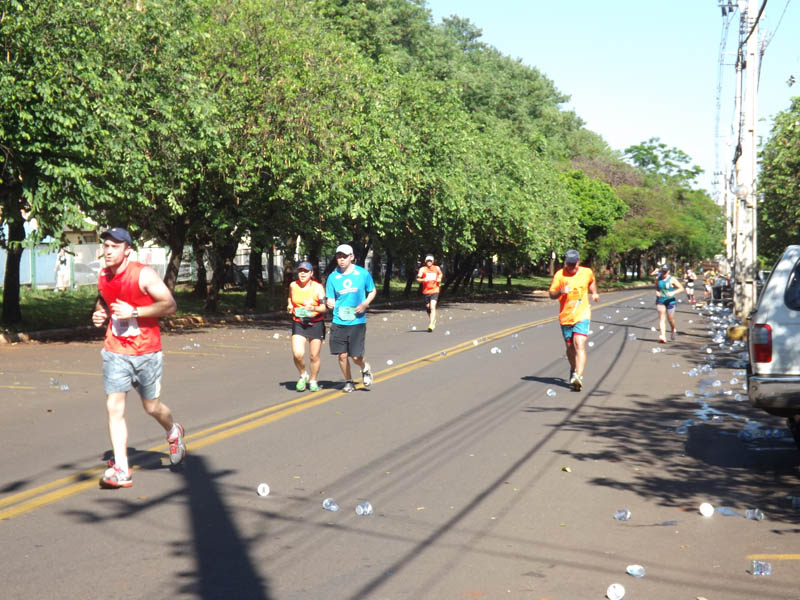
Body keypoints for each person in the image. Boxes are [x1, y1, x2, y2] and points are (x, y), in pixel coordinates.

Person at [91, 227, 186, 488]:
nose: (109, 251)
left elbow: (170, 305)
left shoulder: (143, 274)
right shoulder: (103, 276)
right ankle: (122, 468)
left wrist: (134, 311)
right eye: (106, 246)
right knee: (114, 407)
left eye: (115, 246)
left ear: (127, 250)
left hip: (146, 351)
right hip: (115, 349)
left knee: (152, 408)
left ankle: (173, 431)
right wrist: (100, 313)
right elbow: (104, 300)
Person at [325, 244, 377, 392]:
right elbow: (330, 298)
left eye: (344, 256)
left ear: (352, 257)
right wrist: (329, 302)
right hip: (339, 320)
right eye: (339, 256)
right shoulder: (332, 277)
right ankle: (349, 381)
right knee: (342, 356)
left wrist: (365, 304)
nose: (341, 259)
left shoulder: (362, 273)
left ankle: (365, 368)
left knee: (355, 357)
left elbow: (372, 291)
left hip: (357, 321)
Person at [548, 249, 599, 392]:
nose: (571, 267)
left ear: (578, 261)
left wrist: (594, 292)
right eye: (569, 264)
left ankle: (578, 376)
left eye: (574, 264)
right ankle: (573, 368)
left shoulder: (587, 272)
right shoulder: (560, 275)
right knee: (570, 348)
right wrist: (561, 291)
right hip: (566, 317)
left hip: (582, 314)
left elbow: (591, 282)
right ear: (566, 263)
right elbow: (551, 294)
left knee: (579, 344)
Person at [287, 261, 327, 392]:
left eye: (306, 271)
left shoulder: (318, 288)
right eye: (300, 271)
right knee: (297, 353)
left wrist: (313, 308)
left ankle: (313, 380)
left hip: (315, 323)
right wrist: (290, 305)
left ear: (311, 273)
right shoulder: (293, 285)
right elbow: (290, 298)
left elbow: (323, 308)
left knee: (314, 356)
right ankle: (303, 374)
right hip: (299, 322)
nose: (302, 274)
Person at [654, 264, 685, 343]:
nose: (664, 273)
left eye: (665, 271)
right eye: (663, 271)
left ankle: (673, 329)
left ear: (669, 271)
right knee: (661, 318)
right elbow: (657, 287)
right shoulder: (658, 278)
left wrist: (673, 293)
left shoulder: (672, 279)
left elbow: (681, 288)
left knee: (670, 319)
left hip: (670, 301)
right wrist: (657, 292)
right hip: (660, 300)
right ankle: (663, 336)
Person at [416, 254, 443, 331]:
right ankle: (433, 319)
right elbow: (418, 279)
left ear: (433, 261)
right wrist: (423, 280)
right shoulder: (422, 269)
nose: (429, 262)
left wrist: (439, 278)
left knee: (432, 307)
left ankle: (431, 324)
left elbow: (440, 274)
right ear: (425, 261)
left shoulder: (436, 268)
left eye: (430, 261)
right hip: (426, 291)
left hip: (435, 290)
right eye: (428, 261)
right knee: (428, 308)